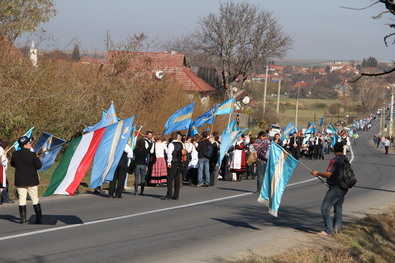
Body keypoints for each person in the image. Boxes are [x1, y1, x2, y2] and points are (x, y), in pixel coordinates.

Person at [311, 142, 349, 236]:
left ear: (334, 150)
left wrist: (317, 173)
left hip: (336, 187)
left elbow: (328, 174)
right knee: (338, 208)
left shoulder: (334, 160)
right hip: (344, 187)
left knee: (324, 208)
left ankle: (328, 230)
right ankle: (337, 230)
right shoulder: (345, 159)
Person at [10, 136, 43, 224]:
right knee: (35, 199)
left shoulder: (15, 154)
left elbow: (13, 164)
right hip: (31, 180)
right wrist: (36, 157)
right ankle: (39, 219)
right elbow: (39, 166)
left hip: (20, 179)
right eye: (29, 143)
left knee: (22, 199)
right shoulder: (32, 154)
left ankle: (23, 220)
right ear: (24, 145)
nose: (30, 144)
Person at [162, 132, 183, 200]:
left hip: (173, 162)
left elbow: (169, 154)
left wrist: (169, 162)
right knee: (177, 179)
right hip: (179, 162)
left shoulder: (171, 144)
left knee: (170, 178)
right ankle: (176, 195)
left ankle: (169, 194)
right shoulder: (181, 144)